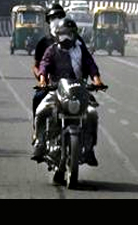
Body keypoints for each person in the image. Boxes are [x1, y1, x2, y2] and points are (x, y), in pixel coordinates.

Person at [32, 18, 105, 166]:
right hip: (56, 90)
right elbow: (44, 65)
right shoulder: (52, 50)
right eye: (62, 35)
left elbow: (91, 65)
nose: (65, 38)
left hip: (79, 90)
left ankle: (89, 149)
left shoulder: (80, 49)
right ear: (57, 35)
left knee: (92, 114)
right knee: (41, 111)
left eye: (69, 35)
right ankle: (40, 143)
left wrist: (97, 80)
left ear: (74, 35)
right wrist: (42, 81)